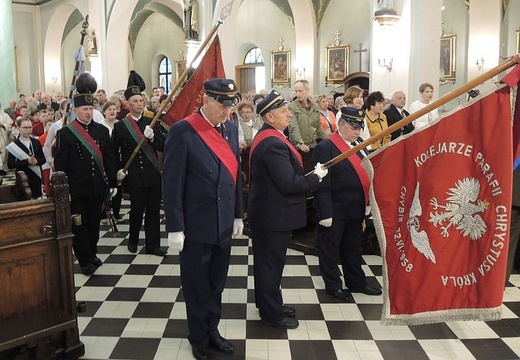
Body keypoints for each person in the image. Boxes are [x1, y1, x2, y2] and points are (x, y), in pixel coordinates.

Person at [162, 79, 243, 360]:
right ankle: (198, 336)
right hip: (196, 225)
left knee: (217, 283)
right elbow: (171, 184)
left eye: (230, 105)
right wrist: (175, 227)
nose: (227, 111)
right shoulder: (182, 131)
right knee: (197, 285)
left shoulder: (231, 129)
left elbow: (236, 175)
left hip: (222, 222)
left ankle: (213, 331)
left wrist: (237, 214)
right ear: (205, 100)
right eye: (222, 105)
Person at [248, 89, 328, 329]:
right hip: (273, 215)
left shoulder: (272, 136)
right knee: (270, 264)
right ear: (269, 117)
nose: (289, 115)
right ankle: (271, 312)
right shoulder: (272, 143)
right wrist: (315, 177)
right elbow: (288, 184)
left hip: (270, 212)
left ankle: (269, 303)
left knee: (269, 263)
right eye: (283, 112)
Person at [312, 107, 382, 300]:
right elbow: (321, 182)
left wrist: (367, 203)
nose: (357, 131)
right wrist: (325, 212)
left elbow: (365, 174)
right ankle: (333, 284)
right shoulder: (326, 147)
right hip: (335, 208)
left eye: (359, 127)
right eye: (353, 127)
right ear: (341, 125)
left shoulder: (358, 143)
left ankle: (356, 282)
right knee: (330, 250)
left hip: (355, 207)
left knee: (353, 247)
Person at [54, 83, 118, 275]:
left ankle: (92, 253)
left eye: (91, 109)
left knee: (93, 224)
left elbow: (109, 159)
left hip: (96, 187)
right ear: (75, 110)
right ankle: (84, 260)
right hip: (77, 189)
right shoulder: (66, 133)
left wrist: (113, 182)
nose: (89, 113)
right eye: (85, 109)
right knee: (79, 226)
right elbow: (60, 166)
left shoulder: (101, 131)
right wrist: (63, 192)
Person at [112, 85, 166, 257]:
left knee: (153, 211)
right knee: (136, 210)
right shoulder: (121, 126)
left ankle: (153, 245)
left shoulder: (152, 122)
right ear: (127, 104)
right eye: (135, 101)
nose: (139, 104)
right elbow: (113, 152)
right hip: (134, 175)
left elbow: (162, 145)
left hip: (153, 174)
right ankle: (133, 241)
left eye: (141, 101)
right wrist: (118, 171)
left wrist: (152, 137)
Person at [6, 117, 45, 197]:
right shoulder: (14, 145)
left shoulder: (36, 142)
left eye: (30, 127)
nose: (28, 130)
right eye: (25, 127)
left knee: (37, 200)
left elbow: (43, 159)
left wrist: (36, 161)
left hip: (36, 176)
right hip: (22, 178)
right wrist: (27, 161)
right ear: (18, 128)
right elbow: (10, 164)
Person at [288, 80, 328, 154]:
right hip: (298, 147)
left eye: (300, 91)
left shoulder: (315, 106)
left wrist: (328, 140)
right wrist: (300, 144)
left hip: (313, 145)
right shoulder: (291, 107)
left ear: (307, 90)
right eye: (296, 91)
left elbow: (318, 127)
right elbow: (293, 127)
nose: (298, 94)